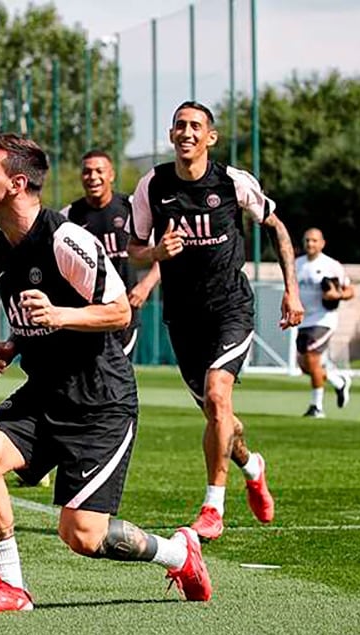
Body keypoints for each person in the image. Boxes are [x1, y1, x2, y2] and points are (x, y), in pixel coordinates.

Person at [0, 133, 211, 617]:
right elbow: (32, 317)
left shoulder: (66, 238)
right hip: (45, 390)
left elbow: (118, 313)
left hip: (101, 400)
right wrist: (11, 345)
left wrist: (59, 316)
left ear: (15, 183)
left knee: (82, 535)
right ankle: (10, 586)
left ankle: (180, 554)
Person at [127, 101, 305, 541]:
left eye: (196, 127)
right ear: (171, 135)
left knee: (217, 395)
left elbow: (277, 227)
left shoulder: (231, 182)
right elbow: (133, 250)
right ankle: (252, 464)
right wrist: (156, 254)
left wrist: (292, 289)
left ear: (210, 137)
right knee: (218, 413)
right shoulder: (153, 185)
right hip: (183, 319)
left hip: (231, 310)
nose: (187, 133)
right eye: (179, 126)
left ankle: (213, 507)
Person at [60, 149, 160, 359]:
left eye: (99, 171)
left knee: (113, 374)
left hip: (122, 312)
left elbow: (163, 253)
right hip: (86, 314)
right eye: (87, 172)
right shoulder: (69, 216)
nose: (93, 177)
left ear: (111, 175)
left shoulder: (131, 207)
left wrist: (145, 286)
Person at [295, 227, 354, 417]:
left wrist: (337, 294)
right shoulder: (297, 264)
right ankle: (338, 381)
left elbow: (350, 291)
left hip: (323, 318)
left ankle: (317, 407)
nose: (310, 244)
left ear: (322, 243)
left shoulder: (331, 265)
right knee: (304, 365)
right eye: (307, 240)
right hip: (304, 319)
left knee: (312, 357)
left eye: (314, 240)